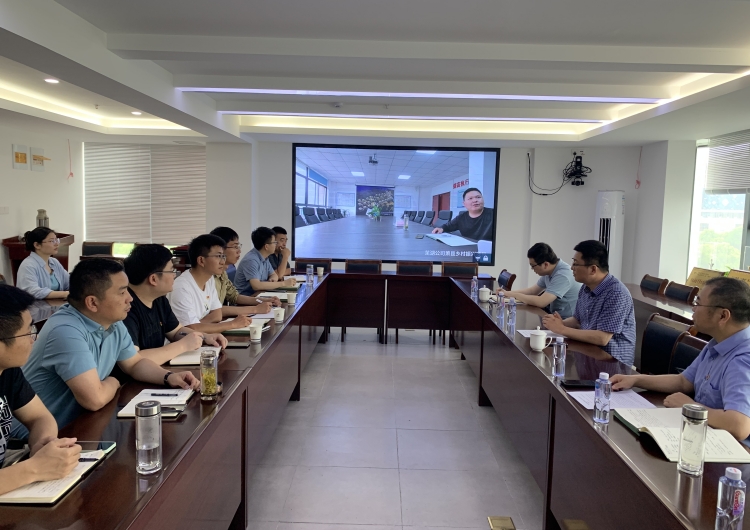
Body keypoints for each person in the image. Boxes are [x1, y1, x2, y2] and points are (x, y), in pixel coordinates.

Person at [18, 258, 199, 434]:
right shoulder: (65, 331)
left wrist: (169, 377)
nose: (130, 298)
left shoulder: (113, 322)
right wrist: (114, 381)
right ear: (92, 302)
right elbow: (95, 399)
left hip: (82, 425)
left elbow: (135, 363)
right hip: (35, 437)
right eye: (122, 292)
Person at [612, 277, 750, 444]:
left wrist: (691, 407)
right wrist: (635, 379)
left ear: (722, 316)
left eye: (698, 303)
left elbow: (739, 425)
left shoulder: (743, 359)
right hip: (699, 432)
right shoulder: (717, 342)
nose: (693, 308)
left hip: (729, 448)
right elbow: (684, 381)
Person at [0, 285, 81, 496]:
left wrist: (42, 445)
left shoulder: (7, 371)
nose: (33, 340)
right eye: (28, 332)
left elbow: (39, 417)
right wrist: (34, 469)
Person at [123, 244, 228, 366]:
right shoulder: (126, 308)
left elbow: (176, 331)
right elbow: (134, 360)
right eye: (171, 270)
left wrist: (205, 337)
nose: (175, 275)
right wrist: (182, 346)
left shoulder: (159, 299)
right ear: (153, 279)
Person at [542, 240, 636, 365]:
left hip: (613, 362)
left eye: (576, 264)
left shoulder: (616, 293)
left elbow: (602, 338)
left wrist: (561, 329)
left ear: (593, 269)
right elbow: (577, 319)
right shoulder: (585, 288)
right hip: (589, 352)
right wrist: (558, 323)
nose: (572, 268)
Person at [168, 234, 253, 333]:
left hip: (202, 336)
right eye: (218, 256)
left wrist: (198, 325)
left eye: (223, 256)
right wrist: (233, 324)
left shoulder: (209, 279)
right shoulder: (181, 287)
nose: (223, 262)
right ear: (201, 260)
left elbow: (217, 315)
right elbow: (190, 330)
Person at [498, 243, 581, 318]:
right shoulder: (550, 270)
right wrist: (507, 293)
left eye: (533, 266)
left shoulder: (563, 275)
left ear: (545, 264)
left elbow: (541, 302)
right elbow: (532, 291)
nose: (532, 269)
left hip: (567, 321)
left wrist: (515, 295)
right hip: (554, 316)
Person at [209, 227, 280, 316]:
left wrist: (264, 300)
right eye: (235, 247)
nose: (239, 251)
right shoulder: (208, 276)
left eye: (238, 246)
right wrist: (255, 309)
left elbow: (234, 296)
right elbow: (213, 310)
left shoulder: (223, 273)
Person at [233, 227, 295, 295]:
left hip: (259, 293)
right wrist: (284, 283)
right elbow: (256, 286)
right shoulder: (251, 260)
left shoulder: (265, 257)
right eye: (274, 242)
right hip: (246, 297)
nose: (275, 245)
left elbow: (274, 274)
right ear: (266, 247)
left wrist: (272, 279)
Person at [16, 227, 70, 300]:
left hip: (55, 304)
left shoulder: (54, 262)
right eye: (52, 241)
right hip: (35, 306)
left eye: (56, 240)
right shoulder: (28, 265)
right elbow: (32, 292)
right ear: (37, 245)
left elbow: (69, 283)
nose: (57, 244)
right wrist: (65, 294)